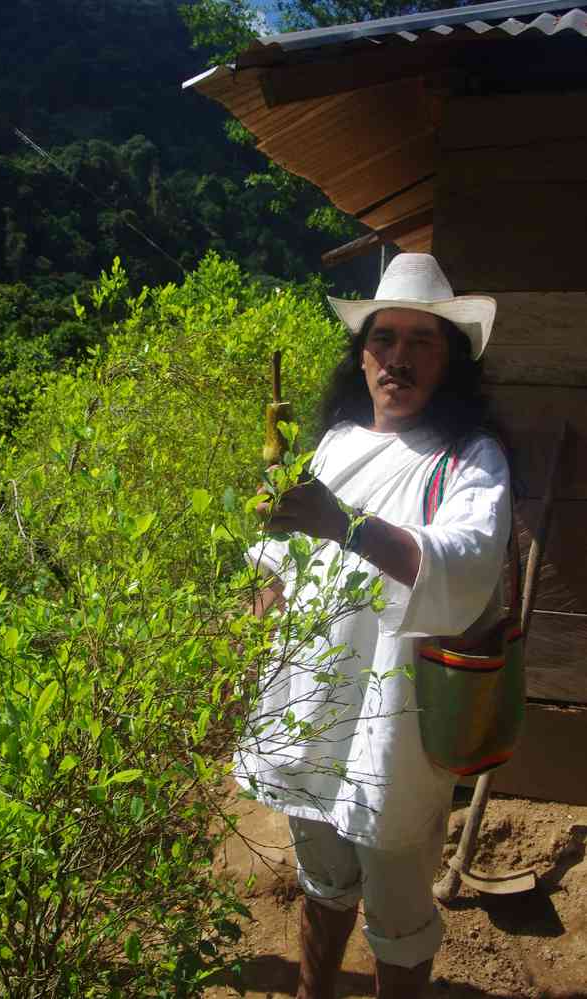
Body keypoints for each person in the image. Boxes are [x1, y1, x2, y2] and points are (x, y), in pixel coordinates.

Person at [239, 253, 511, 998]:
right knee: (323, 878)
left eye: (422, 341)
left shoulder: (467, 460)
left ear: (450, 361)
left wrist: (345, 523)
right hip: (312, 704)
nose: (399, 356)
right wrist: (247, 634)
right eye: (384, 338)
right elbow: (278, 563)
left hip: (398, 725)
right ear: (361, 358)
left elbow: (464, 561)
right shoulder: (335, 445)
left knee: (396, 899)